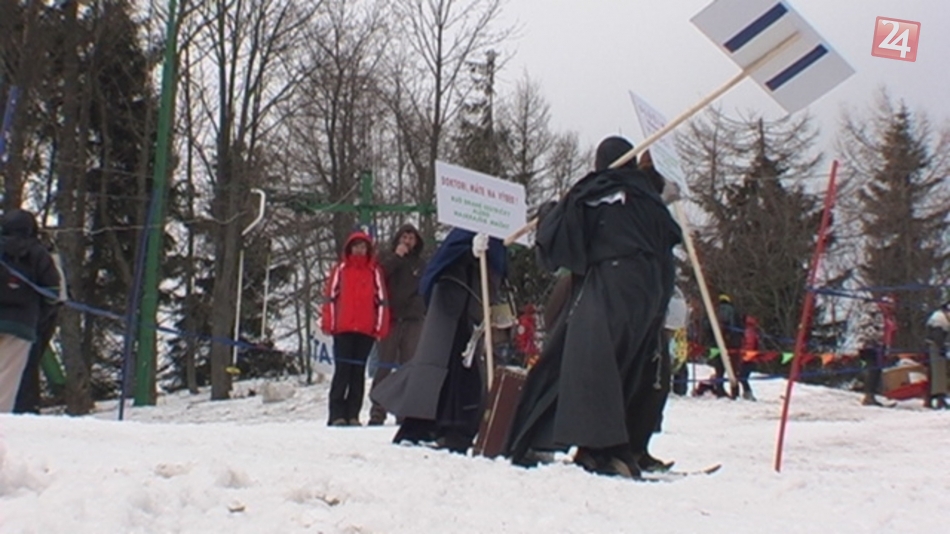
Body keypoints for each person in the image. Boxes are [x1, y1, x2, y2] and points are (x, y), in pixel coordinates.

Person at [503, 136, 682, 478]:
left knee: (592, 362)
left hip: (612, 282)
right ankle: (625, 446)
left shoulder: (596, 190)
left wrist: (548, 213)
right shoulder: (647, 198)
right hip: (651, 291)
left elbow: (557, 242)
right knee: (633, 364)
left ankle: (602, 449)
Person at [371, 228, 507, 453]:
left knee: (467, 370)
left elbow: (498, 265)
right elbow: (441, 266)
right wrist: (467, 252)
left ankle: (458, 429)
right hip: (450, 303)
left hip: (474, 305)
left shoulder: (497, 231)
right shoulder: (459, 235)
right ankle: (421, 427)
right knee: (434, 366)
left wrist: (490, 253)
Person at [321, 230, 390, 426]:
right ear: (349, 248)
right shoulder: (340, 270)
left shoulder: (374, 271)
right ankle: (336, 414)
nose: (359, 250)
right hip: (343, 329)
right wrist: (329, 323)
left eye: (363, 247)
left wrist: (380, 327)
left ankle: (353, 414)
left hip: (365, 330)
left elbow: (382, 301)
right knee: (342, 371)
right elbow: (330, 298)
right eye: (356, 246)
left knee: (357, 373)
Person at [0, 209, 61, 413]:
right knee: (7, 379)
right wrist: (40, 318)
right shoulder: (39, 253)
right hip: (22, 326)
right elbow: (52, 293)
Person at [368, 224, 427, 426]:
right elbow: (379, 277)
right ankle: (378, 411)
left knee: (408, 366)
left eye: (411, 238)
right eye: (404, 237)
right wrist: (397, 257)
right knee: (384, 365)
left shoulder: (421, 264)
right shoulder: (388, 259)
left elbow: (426, 287)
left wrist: (419, 306)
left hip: (413, 320)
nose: (407, 242)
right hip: (391, 319)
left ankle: (404, 411)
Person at [924, 303, 949, 409]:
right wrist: (942, 348)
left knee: (934, 374)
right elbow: (937, 336)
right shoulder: (939, 319)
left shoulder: (939, 317)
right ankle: (939, 398)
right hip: (935, 348)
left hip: (936, 347)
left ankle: (930, 399)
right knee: (939, 374)